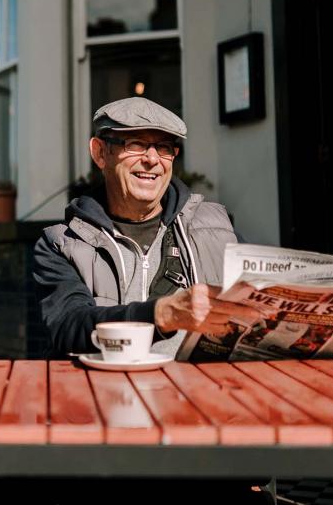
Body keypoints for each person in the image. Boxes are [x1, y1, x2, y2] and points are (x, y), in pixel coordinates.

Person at [33, 96, 262, 357]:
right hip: (105, 392)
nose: (153, 159)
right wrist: (162, 314)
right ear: (100, 153)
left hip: (201, 390)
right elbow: (69, 327)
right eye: (136, 144)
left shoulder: (218, 228)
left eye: (164, 147)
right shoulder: (62, 243)